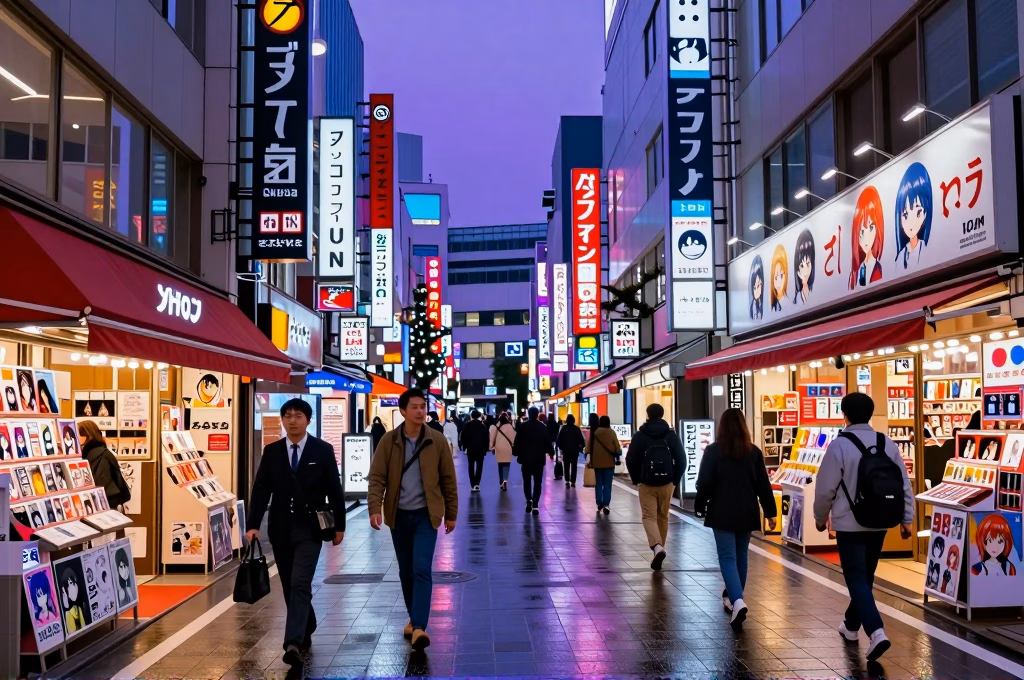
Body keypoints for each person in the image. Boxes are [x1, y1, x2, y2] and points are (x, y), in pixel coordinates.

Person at [246, 399, 346, 668]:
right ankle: (308, 622)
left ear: (308, 420)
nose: (292, 420)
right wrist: (253, 524)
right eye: (287, 415)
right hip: (280, 528)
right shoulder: (273, 451)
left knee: (300, 582)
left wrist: (340, 525)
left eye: (298, 415)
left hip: (310, 528)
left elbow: (335, 489)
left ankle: (292, 642)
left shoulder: (322, 450)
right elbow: (261, 489)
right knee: (290, 583)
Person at [813, 392, 913, 662]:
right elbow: (904, 484)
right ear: (870, 414)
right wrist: (907, 519)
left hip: (850, 523)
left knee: (857, 578)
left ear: (844, 415)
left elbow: (825, 489)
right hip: (881, 522)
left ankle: (876, 631)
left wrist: (820, 518)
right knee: (864, 577)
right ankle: (850, 625)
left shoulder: (839, 446)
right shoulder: (887, 443)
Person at [368, 389, 458, 651]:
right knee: (406, 571)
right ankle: (413, 617)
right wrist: (375, 507)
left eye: (423, 407)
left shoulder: (437, 441)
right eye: (415, 407)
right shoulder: (389, 441)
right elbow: (377, 477)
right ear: (403, 411)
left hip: (425, 516)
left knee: (421, 569)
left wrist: (451, 513)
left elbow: (448, 481)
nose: (420, 412)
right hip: (398, 515)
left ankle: (419, 627)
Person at [694, 408, 777, 630]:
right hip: (747, 510)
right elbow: (763, 485)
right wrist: (770, 513)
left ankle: (737, 600)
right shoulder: (754, 452)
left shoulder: (713, 451)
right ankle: (734, 597)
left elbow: (704, 483)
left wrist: (700, 505)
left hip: (721, 510)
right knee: (741, 555)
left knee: (727, 556)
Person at [626, 404, 685, 570]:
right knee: (662, 517)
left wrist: (636, 479)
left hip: (647, 483)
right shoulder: (670, 435)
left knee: (649, 516)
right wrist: (675, 480)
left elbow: (630, 459)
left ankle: (657, 547)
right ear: (662, 414)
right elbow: (682, 459)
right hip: (667, 482)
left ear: (647, 414)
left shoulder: (640, 436)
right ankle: (660, 548)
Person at [78, 420, 130, 508]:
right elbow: (118, 481)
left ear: (86, 436)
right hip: (108, 503)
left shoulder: (82, 456)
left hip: (90, 504)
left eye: (78, 435)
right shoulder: (105, 453)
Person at [513, 407, 554, 514]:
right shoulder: (542, 427)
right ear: (537, 415)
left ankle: (528, 500)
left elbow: (517, 441)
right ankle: (535, 504)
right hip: (539, 459)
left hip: (526, 459)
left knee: (526, 482)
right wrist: (551, 452)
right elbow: (547, 441)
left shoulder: (523, 426)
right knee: (537, 482)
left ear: (529, 414)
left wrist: (516, 452)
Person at [586, 415, 621, 515]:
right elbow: (617, 448)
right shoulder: (611, 432)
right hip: (609, 463)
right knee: (607, 484)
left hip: (597, 463)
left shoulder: (595, 433)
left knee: (599, 483)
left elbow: (588, 448)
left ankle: (599, 503)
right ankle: (606, 504)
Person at [459, 411, 490, 492]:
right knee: (480, 467)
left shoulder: (467, 425)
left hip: (470, 449)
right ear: (479, 416)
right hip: (480, 450)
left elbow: (463, 437)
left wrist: (465, 447)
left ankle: (472, 484)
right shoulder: (483, 426)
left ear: (471, 416)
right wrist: (486, 449)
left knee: (471, 466)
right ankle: (477, 484)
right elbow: (487, 438)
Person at [557, 414, 585, 488]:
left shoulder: (563, 428)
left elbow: (559, 440)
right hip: (575, 451)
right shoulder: (576, 429)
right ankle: (573, 481)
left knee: (566, 465)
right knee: (574, 466)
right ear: (573, 420)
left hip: (566, 451)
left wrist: (561, 448)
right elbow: (582, 440)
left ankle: (567, 480)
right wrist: (580, 448)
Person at [490, 412, 516, 491]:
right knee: (507, 464)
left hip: (499, 447)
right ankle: (505, 480)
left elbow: (492, 438)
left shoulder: (497, 427)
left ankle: (501, 481)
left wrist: (491, 447)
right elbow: (514, 438)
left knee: (500, 464)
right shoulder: (510, 427)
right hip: (507, 447)